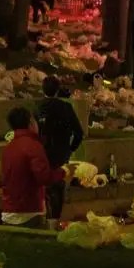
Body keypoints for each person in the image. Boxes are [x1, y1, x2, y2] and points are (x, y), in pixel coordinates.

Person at [0, 106, 70, 230]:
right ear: (31, 122)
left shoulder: (8, 148)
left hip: (8, 212)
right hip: (29, 213)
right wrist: (65, 172)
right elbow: (44, 177)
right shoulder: (33, 146)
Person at [36, 76, 84, 222]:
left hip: (44, 155)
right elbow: (79, 133)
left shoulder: (39, 109)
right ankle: (55, 220)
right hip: (61, 155)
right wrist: (70, 149)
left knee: (46, 190)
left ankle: (47, 219)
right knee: (57, 188)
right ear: (58, 90)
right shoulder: (66, 108)